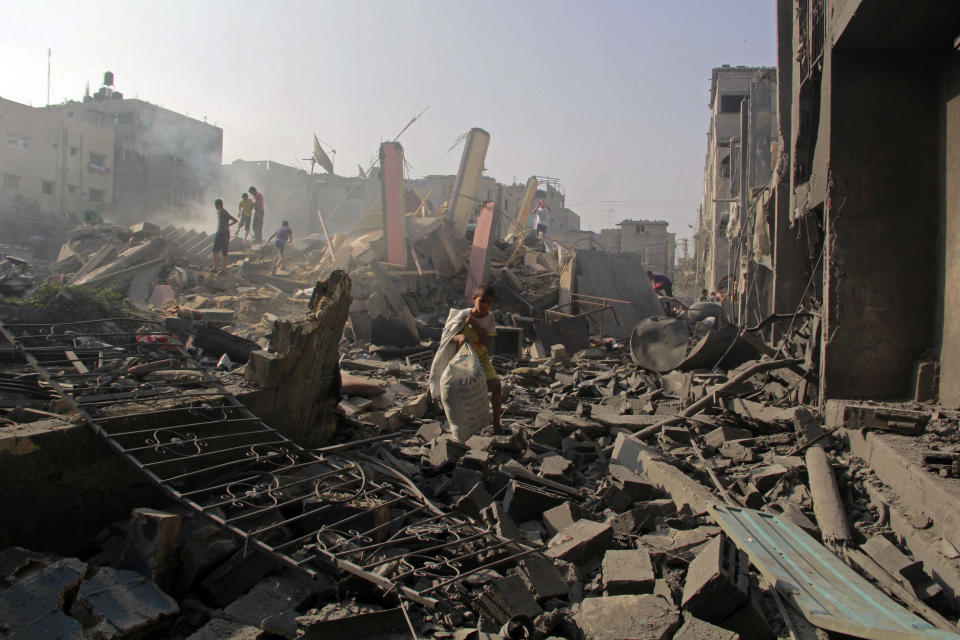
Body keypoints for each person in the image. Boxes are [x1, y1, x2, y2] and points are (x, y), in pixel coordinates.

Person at [450, 283, 502, 432]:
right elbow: (448, 336)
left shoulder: (490, 318)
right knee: (461, 394)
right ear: (474, 299)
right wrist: (460, 337)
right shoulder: (462, 315)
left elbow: (487, 343)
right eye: (482, 301)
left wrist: (475, 325)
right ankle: (462, 426)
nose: (485, 305)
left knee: (496, 386)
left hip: (481, 360)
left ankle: (497, 425)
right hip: (463, 361)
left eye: (489, 302)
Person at [211, 199, 237, 273]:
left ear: (219, 205)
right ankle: (215, 268)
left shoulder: (225, 213)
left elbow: (235, 220)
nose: (215, 207)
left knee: (224, 252)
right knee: (214, 250)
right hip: (219, 232)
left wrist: (228, 225)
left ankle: (224, 270)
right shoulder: (219, 212)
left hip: (224, 234)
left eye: (216, 206)